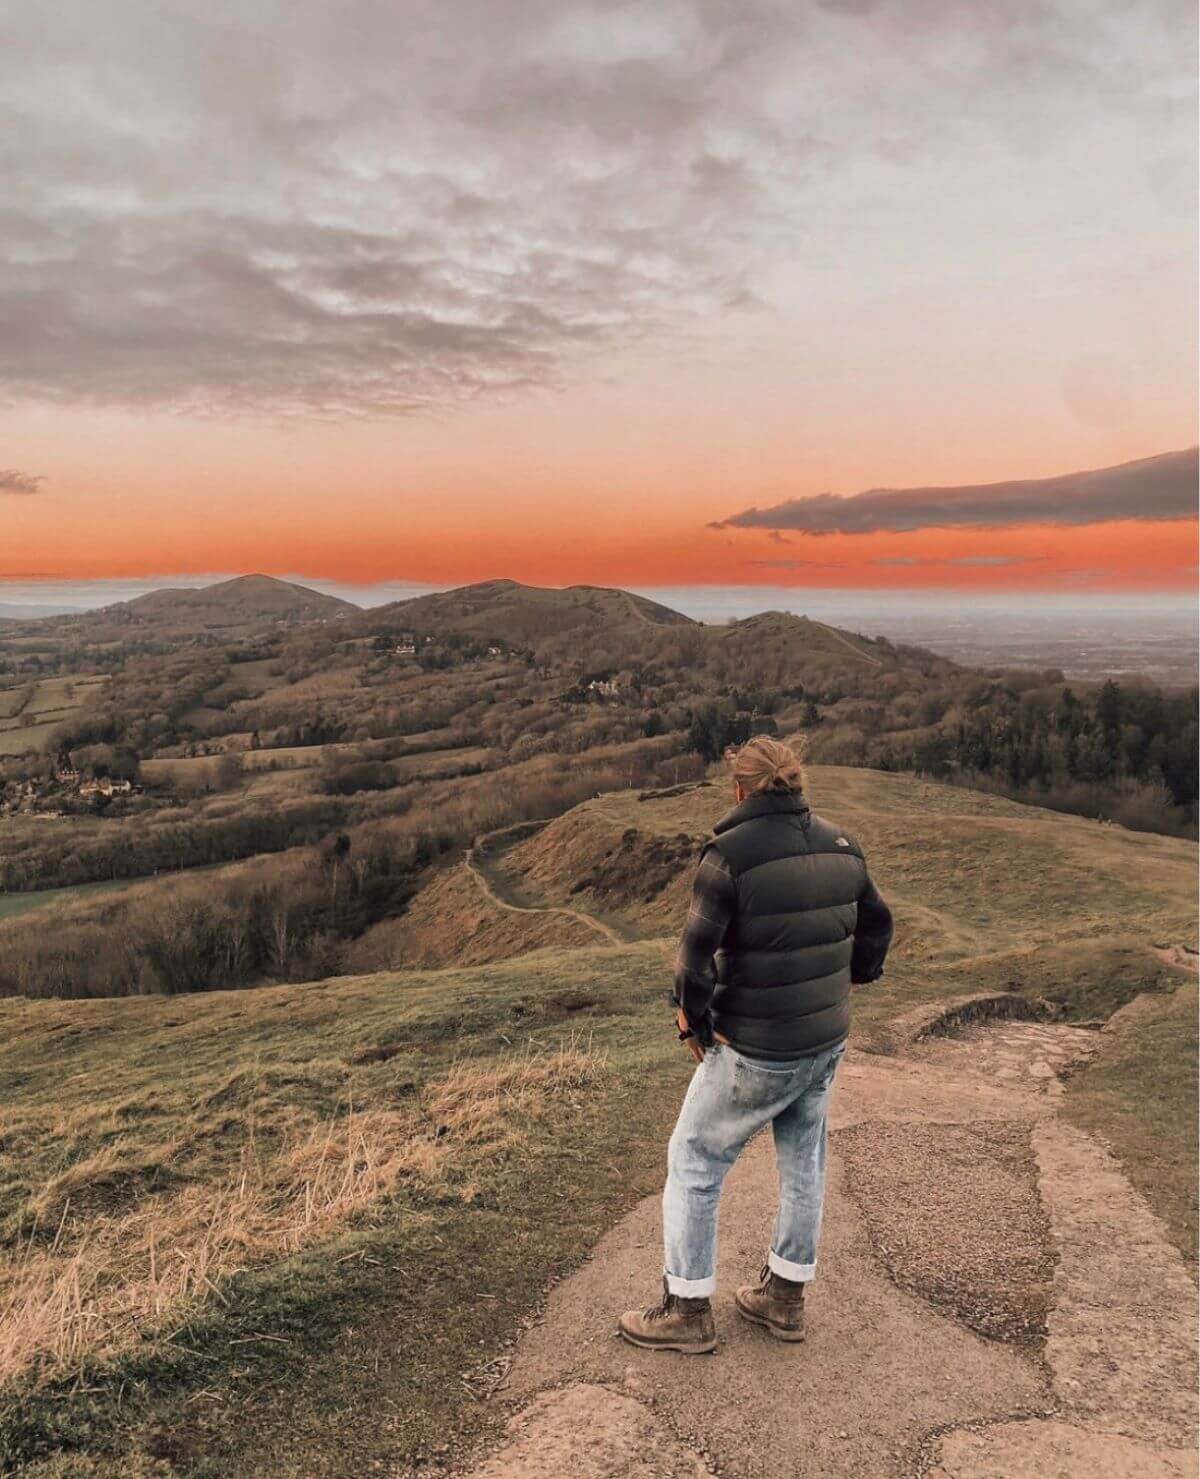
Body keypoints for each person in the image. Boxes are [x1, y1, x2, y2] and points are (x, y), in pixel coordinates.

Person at [618, 735, 893, 1353]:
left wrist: (692, 1019)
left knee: (694, 1162)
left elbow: (694, 958)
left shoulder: (729, 854)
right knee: (804, 1166)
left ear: (739, 788)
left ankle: (687, 1311)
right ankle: (785, 1301)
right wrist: (851, 978)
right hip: (824, 1040)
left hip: (756, 1047)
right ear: (797, 784)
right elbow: (877, 925)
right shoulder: (843, 845)